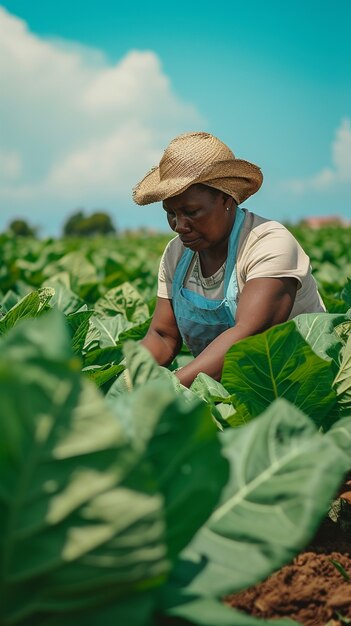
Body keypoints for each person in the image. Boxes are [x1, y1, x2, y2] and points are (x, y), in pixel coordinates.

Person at [133, 131, 325, 388]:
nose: (179, 225)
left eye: (191, 212)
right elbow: (163, 336)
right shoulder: (177, 254)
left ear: (226, 199)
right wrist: (125, 380)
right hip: (227, 391)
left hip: (300, 388)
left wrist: (168, 389)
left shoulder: (268, 243)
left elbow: (246, 337)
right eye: (171, 213)